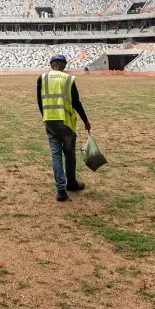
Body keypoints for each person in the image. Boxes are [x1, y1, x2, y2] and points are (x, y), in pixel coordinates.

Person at [37, 54, 91, 202]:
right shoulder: (68, 79)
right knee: (69, 154)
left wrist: (46, 116)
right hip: (66, 122)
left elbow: (39, 101)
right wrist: (85, 120)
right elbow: (76, 102)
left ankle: (60, 190)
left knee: (56, 155)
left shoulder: (42, 78)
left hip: (49, 120)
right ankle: (71, 183)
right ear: (64, 65)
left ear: (51, 64)